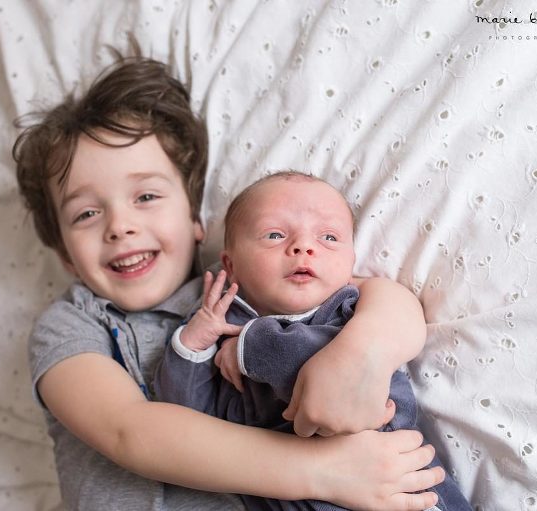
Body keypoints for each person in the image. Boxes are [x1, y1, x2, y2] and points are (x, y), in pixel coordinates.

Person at [13, 55, 445, 511]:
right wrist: (325, 469)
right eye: (86, 214)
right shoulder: (70, 324)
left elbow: (376, 296)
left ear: (195, 220)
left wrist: (362, 353)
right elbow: (130, 431)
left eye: (146, 196)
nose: (120, 226)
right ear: (65, 254)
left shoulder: (249, 286)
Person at [155, 171, 471, 511]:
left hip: (394, 485)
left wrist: (250, 345)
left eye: (329, 238)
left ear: (350, 263)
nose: (303, 247)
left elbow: (318, 362)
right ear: (230, 266)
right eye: (274, 235)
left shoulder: (346, 312)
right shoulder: (221, 325)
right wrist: (192, 345)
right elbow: (185, 418)